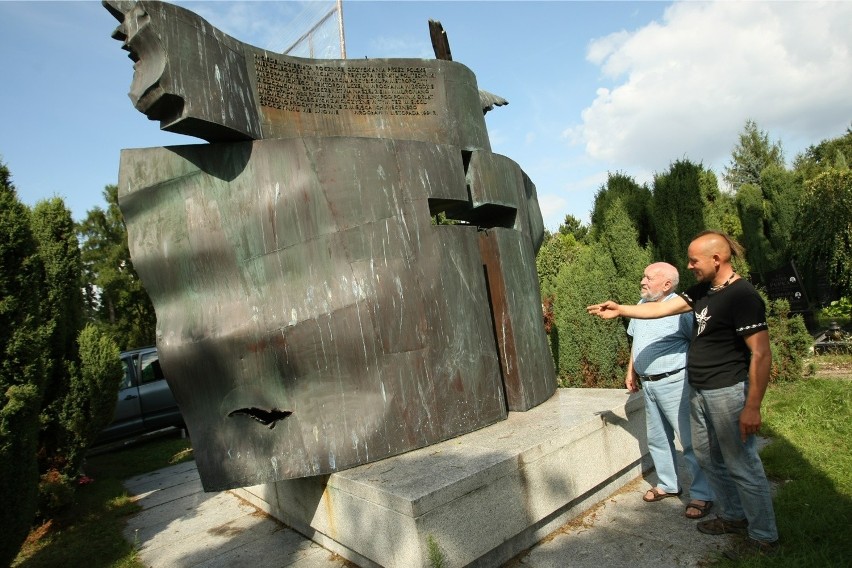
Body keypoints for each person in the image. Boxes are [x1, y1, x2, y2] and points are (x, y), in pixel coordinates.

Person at [587, 231, 779, 558]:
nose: (689, 266)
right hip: (699, 390)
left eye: (694, 260)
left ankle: (764, 536)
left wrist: (753, 406)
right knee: (707, 456)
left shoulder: (743, 296)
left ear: (717, 259)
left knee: (741, 463)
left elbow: (761, 354)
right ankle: (733, 516)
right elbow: (661, 310)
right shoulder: (704, 290)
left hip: (727, 393)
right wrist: (622, 310)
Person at [626, 262, 714, 519]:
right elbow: (637, 341)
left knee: (689, 441)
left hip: (676, 382)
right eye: (643, 276)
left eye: (649, 277)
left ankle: (702, 494)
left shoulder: (682, 310)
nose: (642, 281)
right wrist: (631, 370)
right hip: (648, 384)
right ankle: (668, 484)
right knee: (657, 438)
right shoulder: (641, 306)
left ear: (667, 285)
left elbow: (696, 342)